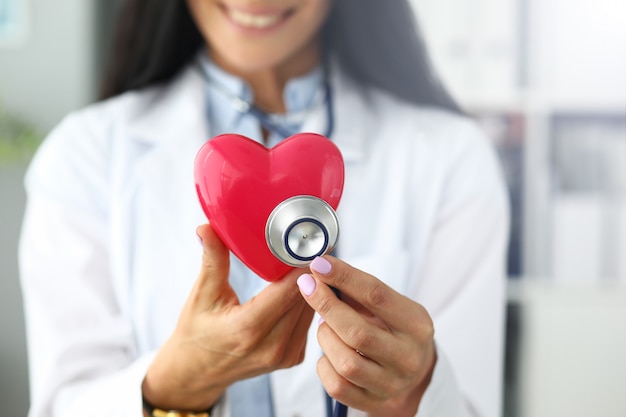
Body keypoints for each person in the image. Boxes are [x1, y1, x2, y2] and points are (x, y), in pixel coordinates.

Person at [19, 0, 510, 416]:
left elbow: (467, 400)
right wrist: (176, 385)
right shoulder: (84, 156)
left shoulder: (451, 157)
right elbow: (67, 400)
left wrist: (416, 388)